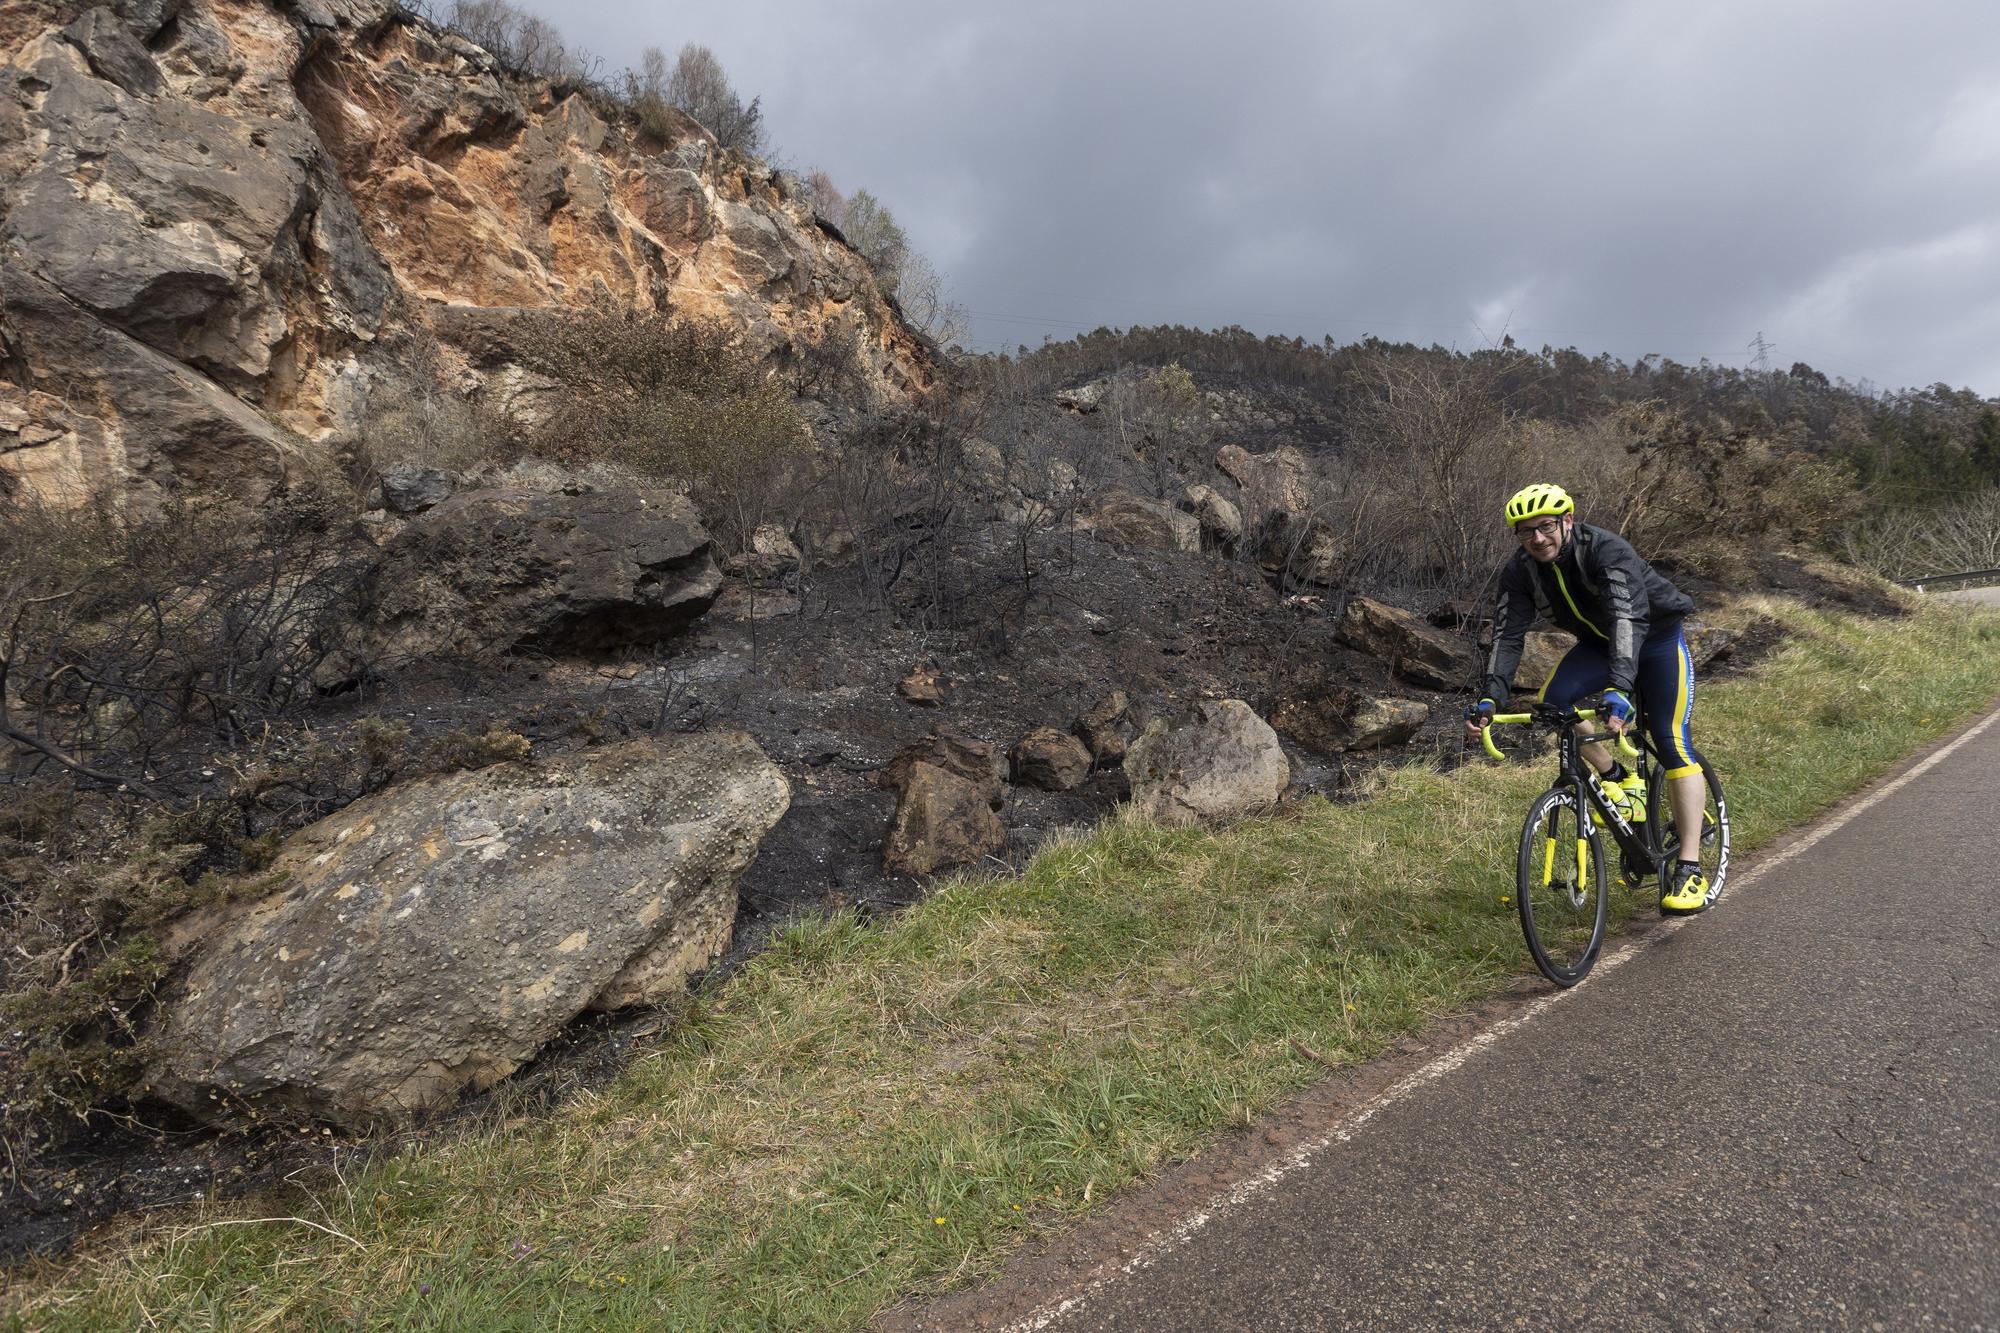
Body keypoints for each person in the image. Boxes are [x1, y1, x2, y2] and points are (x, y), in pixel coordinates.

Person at [1463, 483, 1715, 914]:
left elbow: (1627, 616)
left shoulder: (1606, 550)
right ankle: (1616, 777)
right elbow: (1507, 636)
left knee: (1670, 741)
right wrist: (1491, 698)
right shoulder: (1521, 570)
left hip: (1654, 638)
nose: (1537, 539)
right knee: (1553, 702)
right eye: (1526, 532)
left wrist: (1619, 687)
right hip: (1599, 644)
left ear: (1567, 521)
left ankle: (1690, 867)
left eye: (1545, 527)